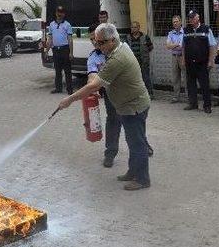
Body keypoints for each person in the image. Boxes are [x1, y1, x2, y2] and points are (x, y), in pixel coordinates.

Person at [58, 23, 152, 191]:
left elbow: (94, 85)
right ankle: (133, 172)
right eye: (96, 42)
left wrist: (69, 99)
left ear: (113, 40)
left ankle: (142, 179)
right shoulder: (121, 48)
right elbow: (95, 76)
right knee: (133, 142)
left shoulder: (117, 59)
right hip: (130, 105)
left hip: (134, 107)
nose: (98, 46)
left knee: (137, 144)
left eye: (101, 43)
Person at [86, 24, 121, 168]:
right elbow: (92, 77)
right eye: (91, 39)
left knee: (133, 120)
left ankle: (143, 145)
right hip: (110, 93)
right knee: (113, 120)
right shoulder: (93, 57)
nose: (94, 42)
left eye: (96, 38)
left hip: (127, 92)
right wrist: (92, 87)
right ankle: (110, 153)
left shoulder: (118, 50)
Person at [181, 10, 217, 113]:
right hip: (189, 63)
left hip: (202, 63)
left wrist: (211, 61)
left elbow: (212, 46)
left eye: (192, 17)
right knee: (191, 84)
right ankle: (193, 104)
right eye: (189, 18)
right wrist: (183, 59)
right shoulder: (186, 30)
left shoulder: (206, 29)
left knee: (204, 85)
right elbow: (183, 46)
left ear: (198, 18)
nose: (191, 19)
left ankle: (207, 106)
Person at [45, 6, 73, 94]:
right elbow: (50, 39)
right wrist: (46, 51)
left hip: (65, 49)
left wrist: (71, 52)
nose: (59, 14)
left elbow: (70, 39)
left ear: (64, 14)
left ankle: (70, 89)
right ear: (56, 13)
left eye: (61, 12)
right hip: (55, 50)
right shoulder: (51, 24)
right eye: (58, 12)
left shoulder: (67, 25)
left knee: (67, 71)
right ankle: (58, 88)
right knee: (57, 71)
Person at [126, 21, 154, 98]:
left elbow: (151, 47)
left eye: (135, 27)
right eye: (132, 27)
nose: (133, 29)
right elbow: (125, 49)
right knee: (134, 80)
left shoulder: (145, 37)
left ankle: (150, 94)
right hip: (133, 63)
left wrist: (145, 54)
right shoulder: (128, 37)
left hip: (143, 62)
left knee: (146, 78)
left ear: (138, 28)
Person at [165, 15, 185, 103]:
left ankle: (189, 97)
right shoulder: (171, 33)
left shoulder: (184, 33)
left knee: (186, 77)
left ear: (180, 22)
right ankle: (176, 97)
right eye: (174, 22)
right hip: (174, 57)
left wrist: (174, 45)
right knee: (175, 78)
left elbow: (182, 47)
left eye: (177, 21)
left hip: (183, 57)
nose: (175, 23)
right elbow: (168, 46)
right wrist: (176, 45)